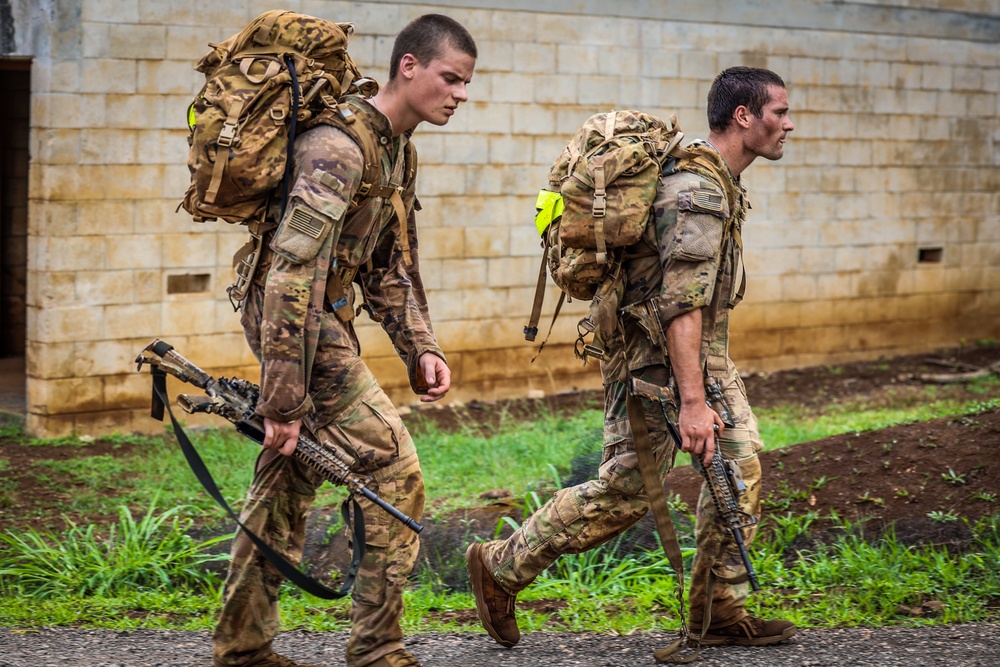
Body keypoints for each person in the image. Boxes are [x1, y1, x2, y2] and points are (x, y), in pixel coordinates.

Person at [467, 67, 797, 650]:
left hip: (694, 359)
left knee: (738, 468)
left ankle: (719, 612)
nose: (788, 125)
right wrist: (694, 402)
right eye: (779, 113)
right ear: (744, 116)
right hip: (656, 365)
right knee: (625, 491)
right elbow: (680, 307)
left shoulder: (712, 179)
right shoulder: (698, 192)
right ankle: (501, 566)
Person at [212, 15, 476, 667]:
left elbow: (389, 265)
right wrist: (282, 398)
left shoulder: (396, 152)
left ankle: (242, 646)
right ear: (408, 66)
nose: (461, 94)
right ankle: (378, 648)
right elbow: (289, 273)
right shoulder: (339, 147)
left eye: (467, 83)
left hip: (316, 317)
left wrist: (422, 348)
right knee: (393, 465)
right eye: (451, 78)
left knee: (286, 475)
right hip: (289, 316)